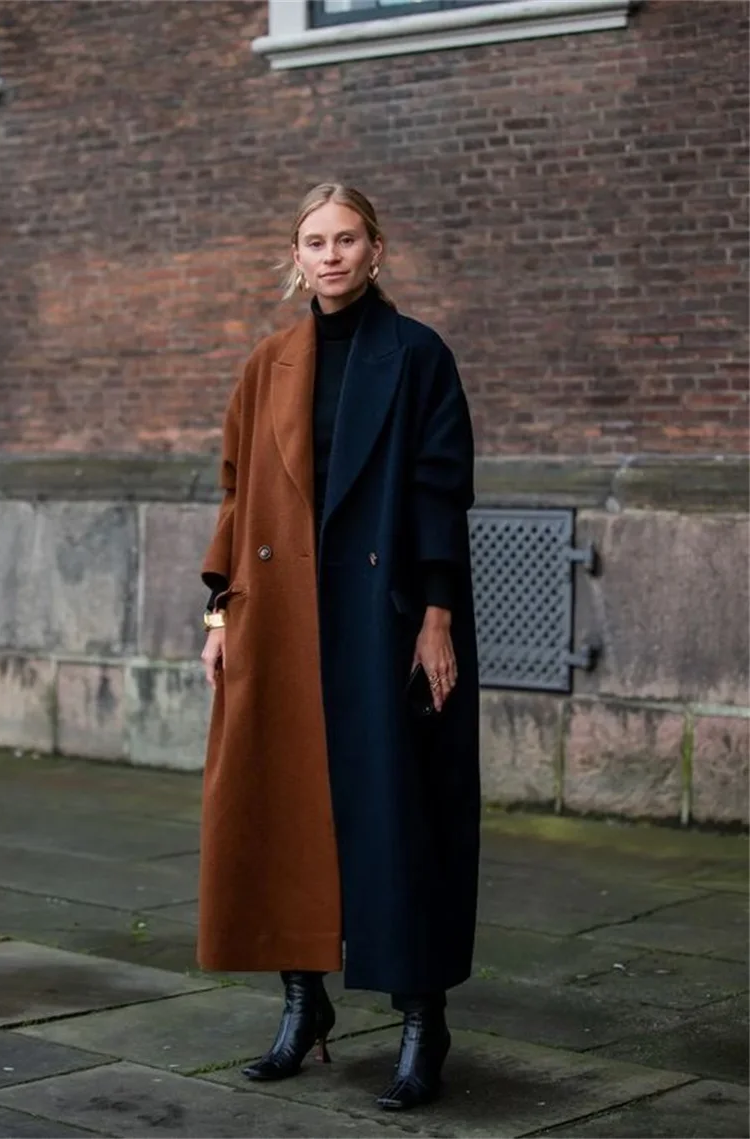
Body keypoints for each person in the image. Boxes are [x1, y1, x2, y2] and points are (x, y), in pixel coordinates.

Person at [198, 183, 480, 1111]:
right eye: (315, 241)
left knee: (399, 808)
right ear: (296, 256)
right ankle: (301, 1002)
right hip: (277, 618)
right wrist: (217, 617)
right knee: (283, 803)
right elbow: (237, 496)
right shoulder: (268, 363)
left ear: (376, 249)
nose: (331, 255)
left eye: (347, 239)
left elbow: (441, 489)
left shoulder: (418, 355)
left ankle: (418, 1019)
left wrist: (436, 615)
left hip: (384, 616)